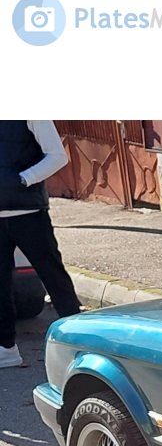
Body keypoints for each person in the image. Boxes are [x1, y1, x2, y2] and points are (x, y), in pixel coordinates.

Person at [1, 120, 82, 369]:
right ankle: (6, 350)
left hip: (28, 212)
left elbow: (57, 156)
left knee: (54, 278)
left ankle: (81, 344)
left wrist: (23, 179)